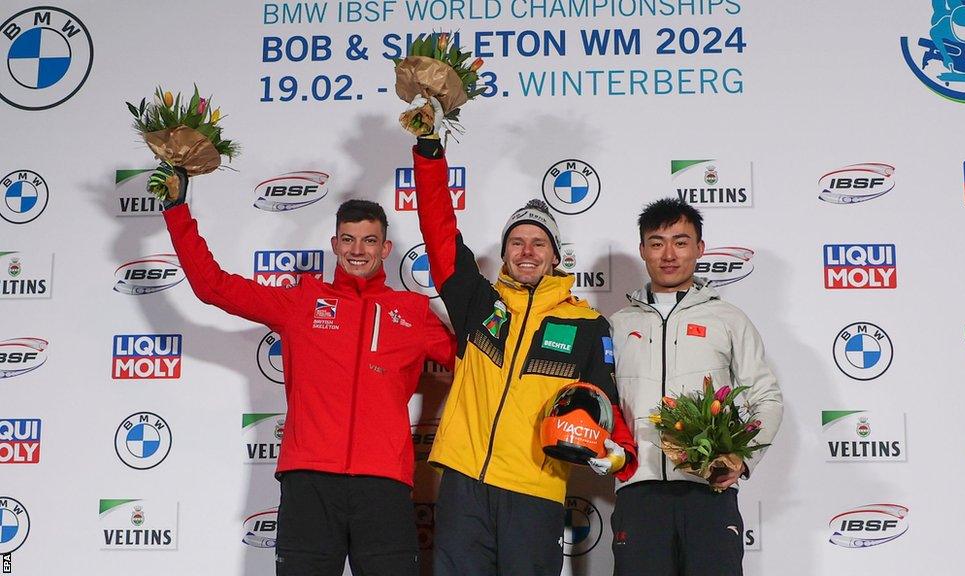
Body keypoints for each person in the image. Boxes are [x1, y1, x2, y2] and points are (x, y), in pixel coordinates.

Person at [159, 170, 456, 576]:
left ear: (385, 248)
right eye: (348, 239)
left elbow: (476, 366)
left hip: (383, 485)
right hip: (309, 483)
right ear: (334, 244)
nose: (357, 250)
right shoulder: (301, 301)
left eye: (369, 240)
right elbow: (213, 286)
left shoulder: (412, 312)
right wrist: (176, 210)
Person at [409, 126, 638, 575]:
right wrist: (430, 151)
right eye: (517, 242)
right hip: (463, 486)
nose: (527, 251)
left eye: (539, 243)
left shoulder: (588, 326)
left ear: (556, 256)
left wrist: (618, 456)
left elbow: (606, 407)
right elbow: (438, 230)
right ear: (506, 252)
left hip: (535, 493)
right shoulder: (478, 301)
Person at [609, 198, 783, 576]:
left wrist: (743, 460)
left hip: (709, 492)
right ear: (642, 250)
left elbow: (766, 397)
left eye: (681, 241)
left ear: (700, 248)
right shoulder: (617, 324)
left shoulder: (728, 318)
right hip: (639, 495)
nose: (668, 254)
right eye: (656, 243)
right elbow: (601, 406)